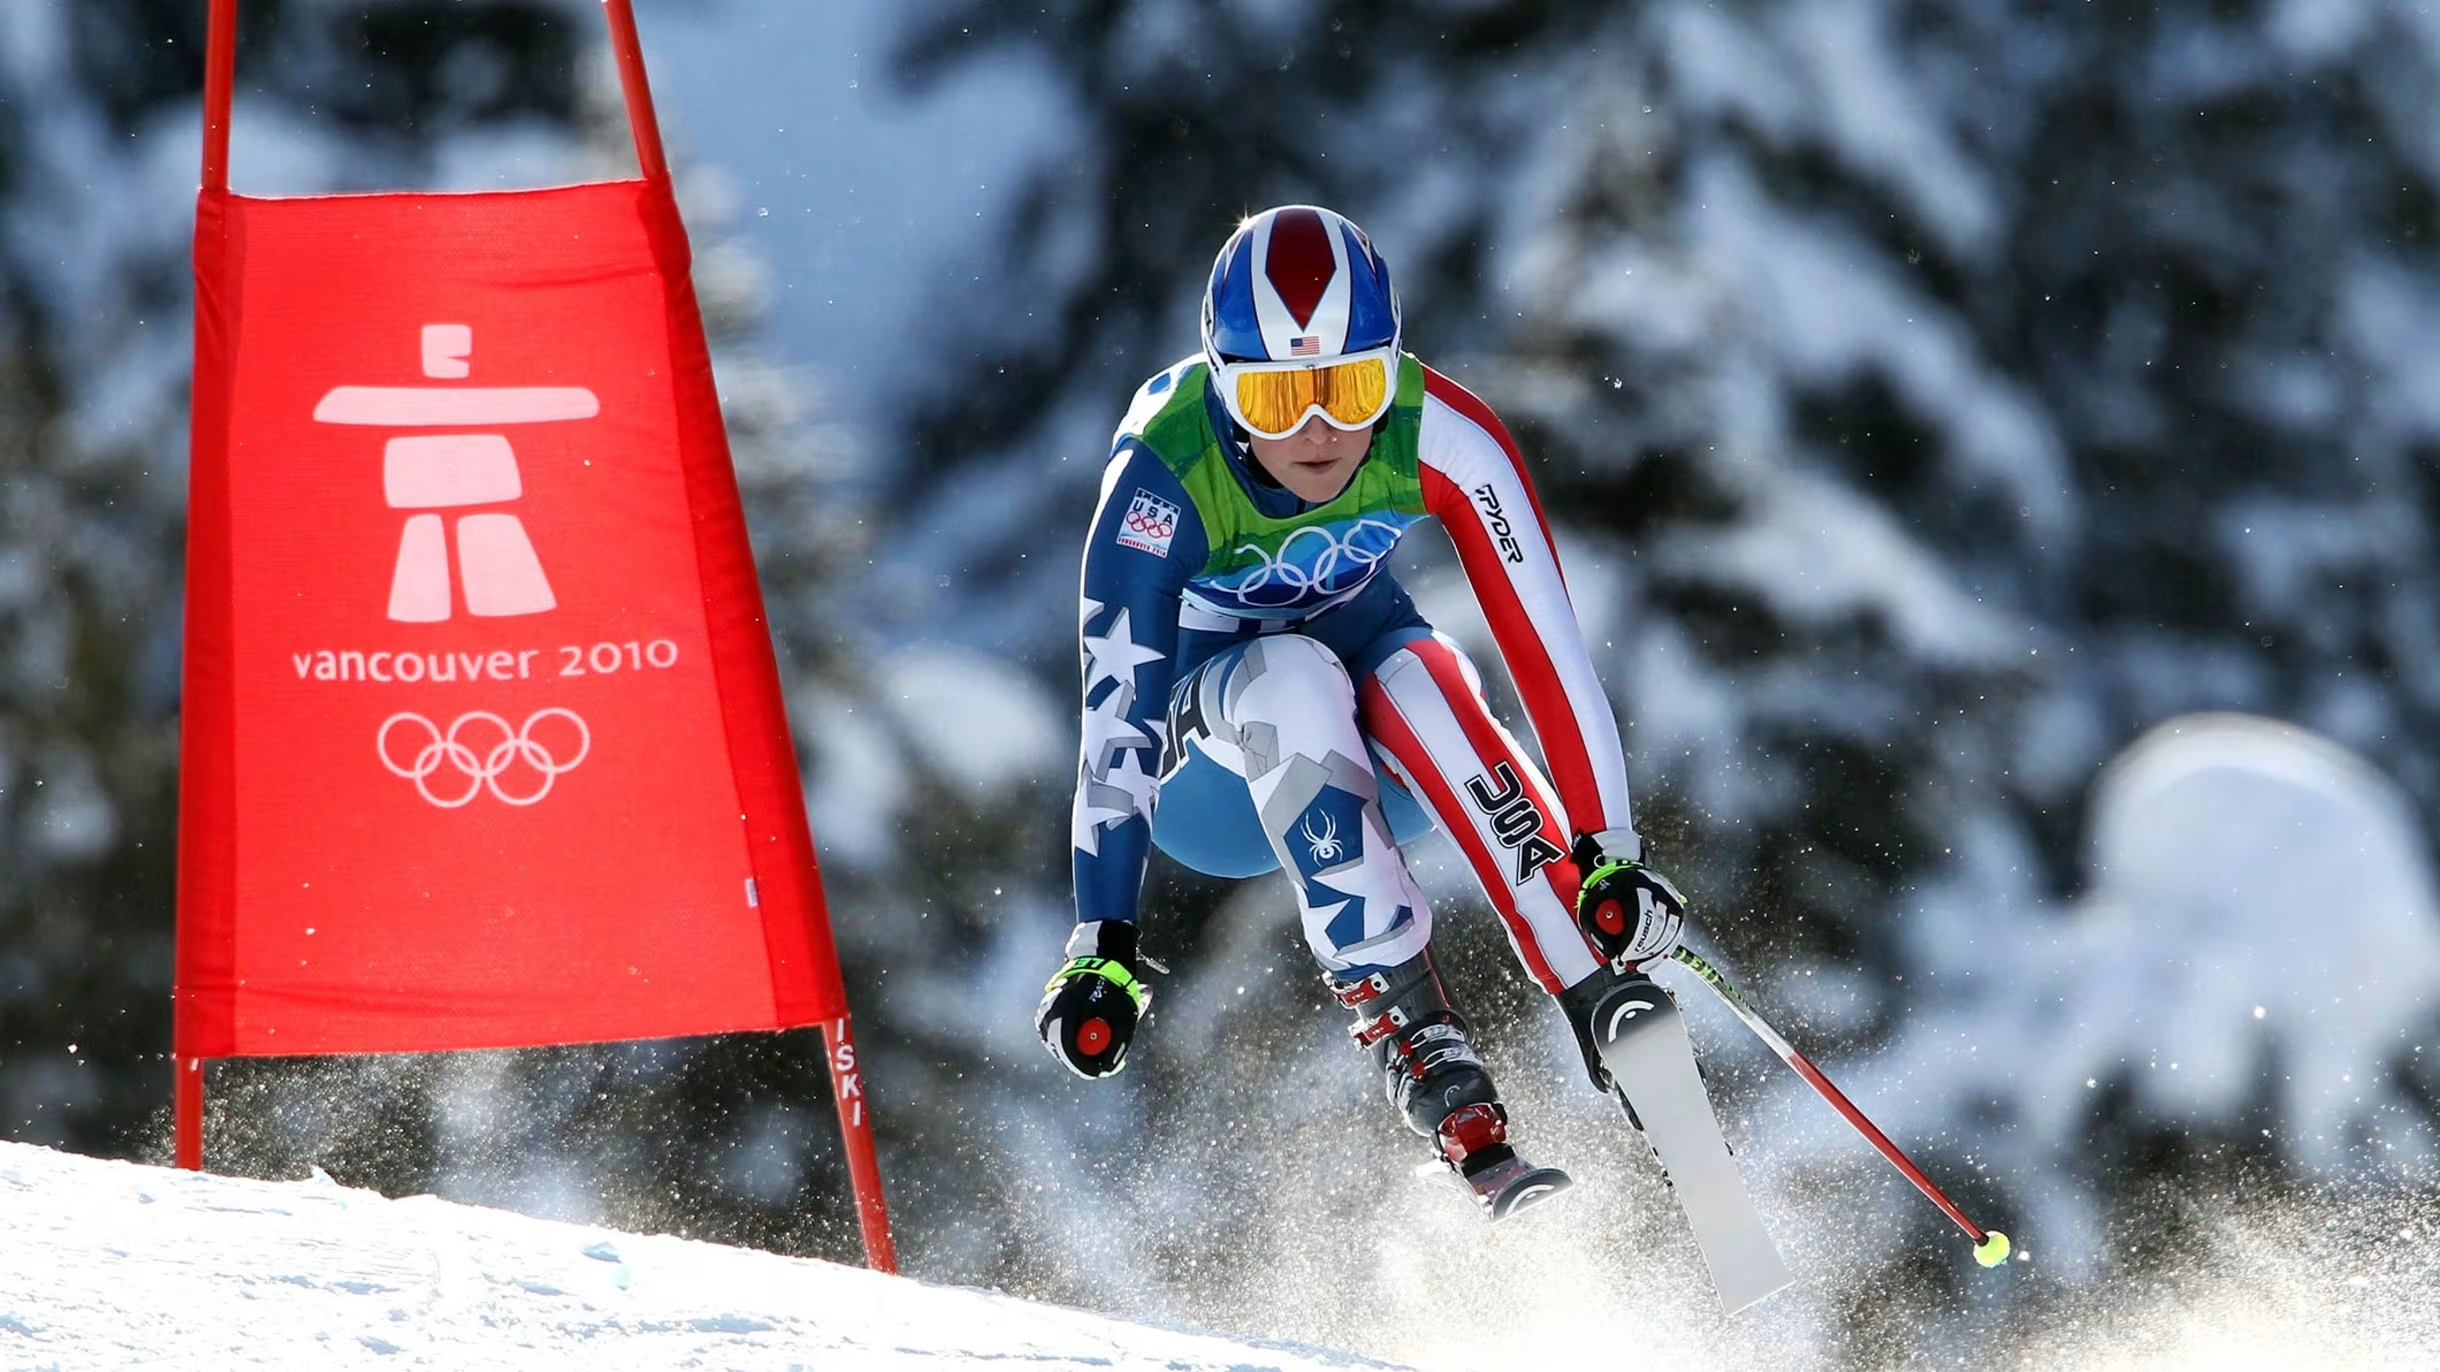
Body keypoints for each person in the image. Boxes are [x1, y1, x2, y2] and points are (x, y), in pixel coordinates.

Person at [1037, 204, 1693, 1215]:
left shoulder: (1444, 432)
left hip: (1379, 716)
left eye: (1349, 387)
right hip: (1215, 779)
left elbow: (1548, 655)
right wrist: (1104, 940)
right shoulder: (1160, 479)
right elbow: (1114, 723)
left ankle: (1598, 985)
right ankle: (1417, 1038)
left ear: (1390, 366)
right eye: (1273, 397)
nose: (1316, 429)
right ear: (1221, 385)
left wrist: (1609, 847)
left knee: (1425, 679)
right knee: (1292, 674)